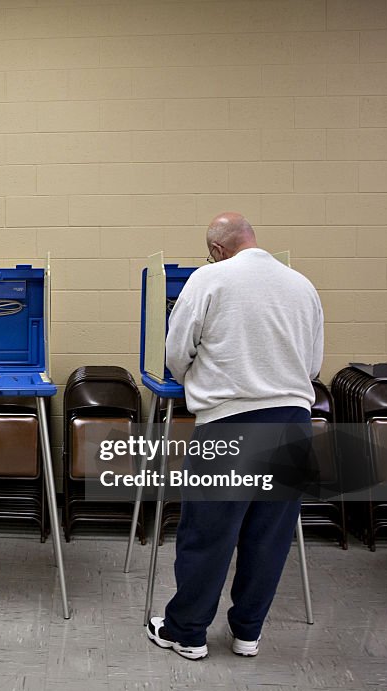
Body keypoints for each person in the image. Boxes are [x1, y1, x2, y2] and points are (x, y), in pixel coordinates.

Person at [146, 212, 324, 660]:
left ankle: (186, 633)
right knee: (269, 537)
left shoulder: (210, 278)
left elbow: (174, 351)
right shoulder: (302, 285)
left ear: (217, 249)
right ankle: (247, 633)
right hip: (292, 424)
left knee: (208, 533)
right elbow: (313, 365)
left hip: (231, 423)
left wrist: (196, 381)